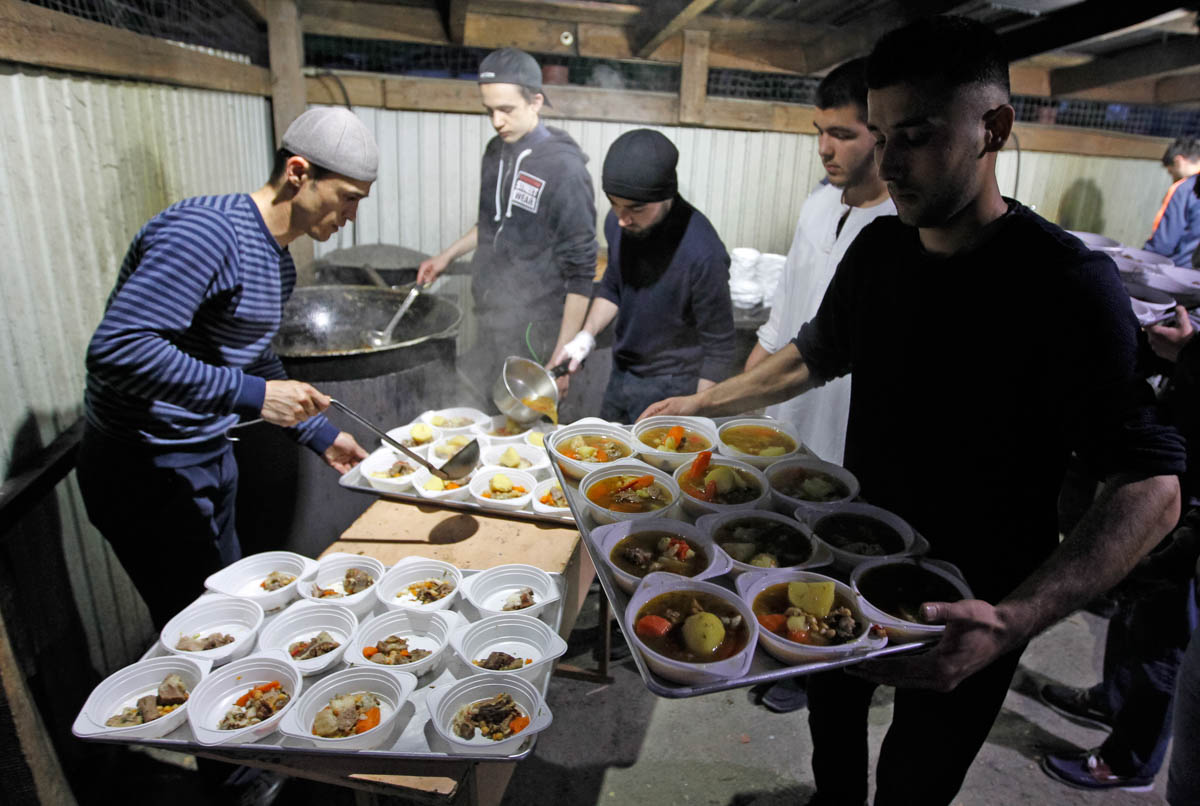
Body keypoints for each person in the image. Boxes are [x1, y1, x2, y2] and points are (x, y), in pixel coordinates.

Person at [640, 16, 1184, 806]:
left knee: (912, 783)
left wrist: (1013, 621)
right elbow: (814, 352)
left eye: (917, 136)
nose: (888, 163)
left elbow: (1153, 486)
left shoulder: (1067, 286)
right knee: (834, 748)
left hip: (971, 602)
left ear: (992, 128)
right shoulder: (883, 250)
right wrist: (701, 402)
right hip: (844, 560)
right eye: (883, 135)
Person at [78, 107, 374, 629]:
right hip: (147, 469)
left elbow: (250, 356)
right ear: (298, 173)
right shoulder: (206, 233)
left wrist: (320, 433)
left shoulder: (277, 262)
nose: (351, 216)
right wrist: (255, 396)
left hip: (207, 456)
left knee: (230, 609)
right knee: (200, 630)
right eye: (348, 197)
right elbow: (119, 349)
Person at [1038, 305, 1200, 792]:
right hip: (1184, 437)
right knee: (1133, 585)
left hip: (1197, 481)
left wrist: (1188, 352)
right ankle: (1114, 697)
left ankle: (1131, 759)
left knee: (1161, 625)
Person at [417, 48, 597, 399]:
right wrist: (445, 257)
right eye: (489, 111)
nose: (497, 121)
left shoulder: (565, 169)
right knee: (490, 412)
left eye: (507, 110)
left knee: (529, 426)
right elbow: (490, 223)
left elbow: (581, 272)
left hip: (536, 327)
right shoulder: (495, 151)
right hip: (493, 313)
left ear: (536, 102)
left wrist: (561, 357)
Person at [744, 57, 894, 466]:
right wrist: (740, 402)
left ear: (882, 132)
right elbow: (783, 313)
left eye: (842, 135)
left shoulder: (898, 227)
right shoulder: (818, 202)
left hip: (842, 438)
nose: (824, 148)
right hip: (783, 424)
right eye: (821, 132)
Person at [554, 129, 736, 422]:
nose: (622, 218)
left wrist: (697, 415)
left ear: (666, 195)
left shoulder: (703, 252)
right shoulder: (619, 224)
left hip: (673, 386)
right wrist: (585, 335)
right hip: (622, 372)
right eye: (614, 203)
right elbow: (614, 285)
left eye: (636, 208)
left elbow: (720, 350)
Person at [1145, 137, 1200, 266]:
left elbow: (1164, 243)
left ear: (1178, 161)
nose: (1173, 178)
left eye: (1171, 173)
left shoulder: (1184, 188)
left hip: (1179, 270)